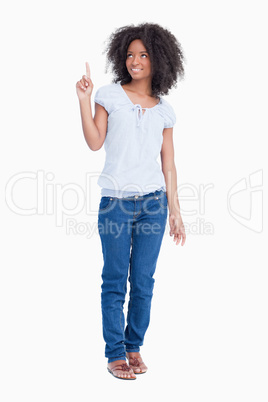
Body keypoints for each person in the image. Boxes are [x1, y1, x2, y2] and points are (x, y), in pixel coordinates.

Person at [76, 23, 186, 380]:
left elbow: (168, 163)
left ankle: (133, 345)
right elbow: (95, 142)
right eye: (130, 55)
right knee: (113, 280)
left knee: (143, 282)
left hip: (154, 203)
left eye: (143, 55)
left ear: (159, 60)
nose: (135, 61)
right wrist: (83, 100)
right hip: (116, 204)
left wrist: (175, 212)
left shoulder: (165, 110)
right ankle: (115, 353)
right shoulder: (108, 95)